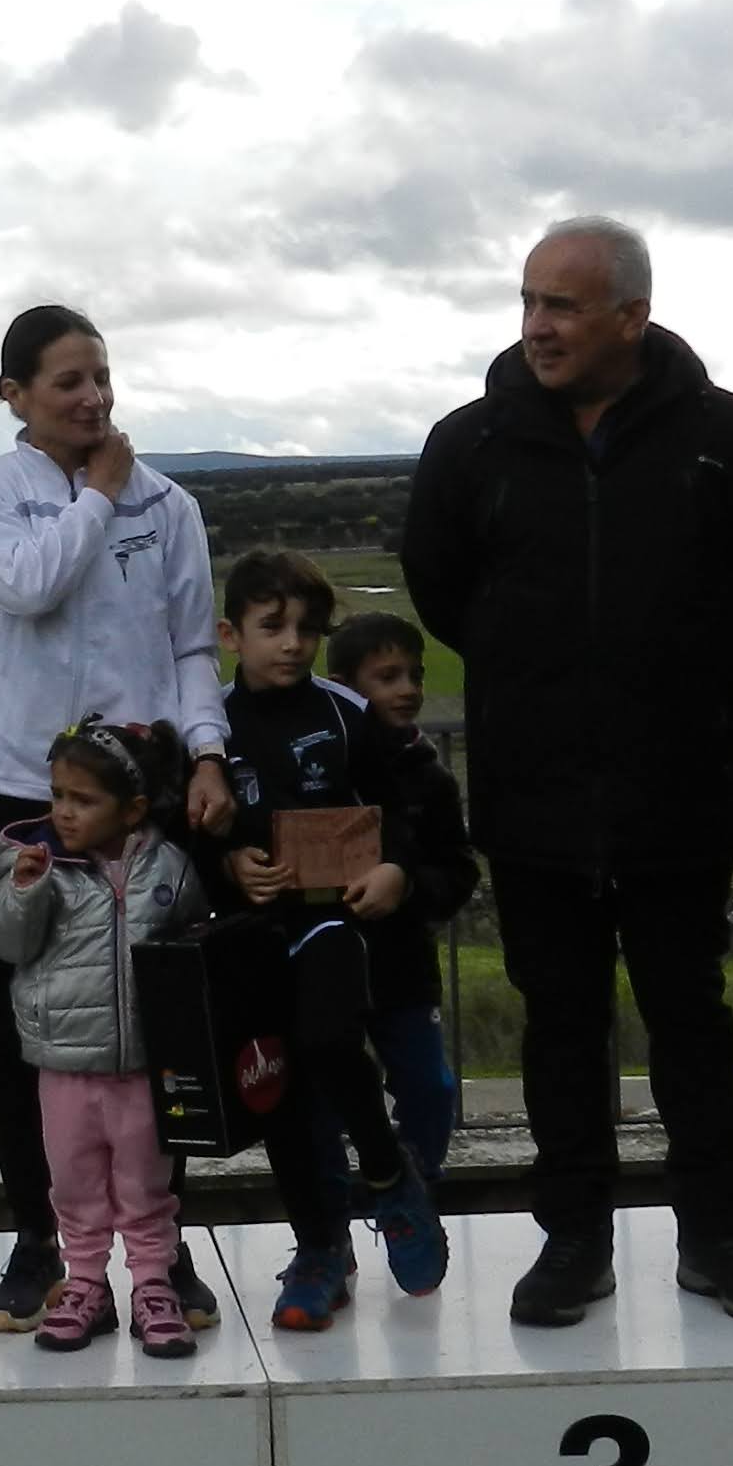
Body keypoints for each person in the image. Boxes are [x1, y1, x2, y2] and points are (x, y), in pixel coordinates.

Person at [398, 217, 733, 1334]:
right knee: (561, 1025)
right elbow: (443, 590)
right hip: (533, 795)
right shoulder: (472, 447)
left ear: (629, 317)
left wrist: (689, 676)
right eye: (530, 302)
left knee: (691, 1019)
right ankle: (574, 1241)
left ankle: (719, 1239)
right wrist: (530, 684)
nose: (537, 326)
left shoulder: (730, 441)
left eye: (562, 306)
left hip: (678, 795)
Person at [0, 305, 236, 1336]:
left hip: (141, 796)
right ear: (14, 395)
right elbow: (26, 588)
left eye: (101, 378)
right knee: (31, 1030)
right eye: (67, 382)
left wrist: (205, 751)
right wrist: (97, 496)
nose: (92, 399)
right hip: (16, 787)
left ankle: (162, 1254)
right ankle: (44, 1245)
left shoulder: (169, 504)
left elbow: (191, 648)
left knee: (160, 1022)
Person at [215, 551, 445, 1329]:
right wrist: (227, 863)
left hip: (330, 923)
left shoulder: (347, 713)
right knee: (276, 1089)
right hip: (247, 937)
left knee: (328, 1040)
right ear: (229, 633)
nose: (291, 644)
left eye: (307, 630)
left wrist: (395, 871)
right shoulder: (208, 725)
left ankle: (388, 1179)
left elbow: (399, 814)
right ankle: (317, 1252)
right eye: (271, 627)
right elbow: (185, 829)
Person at [0, 726, 208, 1353]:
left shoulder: (170, 867)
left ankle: (154, 1284)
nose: (64, 812)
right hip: (63, 1065)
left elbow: (193, 948)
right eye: (57, 795)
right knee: (73, 1182)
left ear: (131, 810)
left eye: (83, 800)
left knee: (144, 1183)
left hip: (143, 1069)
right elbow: (5, 945)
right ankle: (83, 1284)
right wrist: (23, 891)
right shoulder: (36, 861)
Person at [324, 609, 475, 1191]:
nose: (408, 689)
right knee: (327, 1094)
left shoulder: (429, 778)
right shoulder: (318, 770)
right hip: (328, 965)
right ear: (342, 686)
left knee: (429, 1085)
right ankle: (330, 1217)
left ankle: (416, 1188)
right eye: (387, 677)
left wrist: (409, 889)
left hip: (404, 964)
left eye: (413, 675)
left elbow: (458, 868)